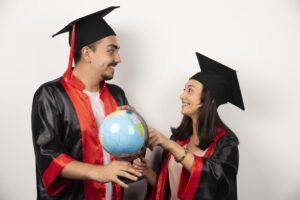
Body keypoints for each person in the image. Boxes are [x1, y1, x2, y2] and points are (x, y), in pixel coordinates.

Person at [31, 6, 141, 200]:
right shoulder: (51, 95)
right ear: (87, 53)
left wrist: (136, 150)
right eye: (111, 51)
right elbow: (48, 156)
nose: (119, 59)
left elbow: (124, 152)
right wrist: (100, 172)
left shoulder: (117, 95)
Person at [133, 52, 245, 200]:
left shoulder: (226, 144)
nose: (182, 95)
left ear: (210, 100)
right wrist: (148, 172)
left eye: (190, 90)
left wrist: (170, 145)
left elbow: (214, 183)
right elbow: (166, 189)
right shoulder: (179, 138)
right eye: (184, 89)